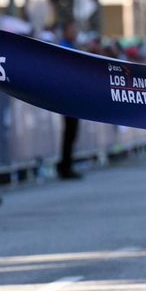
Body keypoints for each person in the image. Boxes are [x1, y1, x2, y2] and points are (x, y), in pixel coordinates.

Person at [56, 20, 83, 179]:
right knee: (69, 132)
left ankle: (67, 164)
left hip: (73, 95)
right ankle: (65, 166)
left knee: (72, 133)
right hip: (68, 96)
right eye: (72, 30)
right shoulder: (64, 47)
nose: (75, 33)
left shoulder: (73, 46)